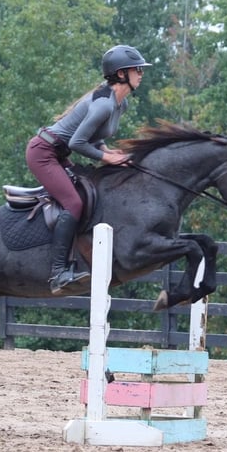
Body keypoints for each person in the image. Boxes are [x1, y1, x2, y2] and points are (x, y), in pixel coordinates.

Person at [25, 44, 151, 294]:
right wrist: (106, 157)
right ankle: (59, 272)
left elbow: (92, 138)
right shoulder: (104, 105)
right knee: (73, 203)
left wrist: (108, 152)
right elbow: (77, 142)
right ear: (122, 74)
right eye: (137, 69)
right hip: (43, 153)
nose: (142, 73)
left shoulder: (120, 104)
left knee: (87, 194)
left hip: (58, 153)